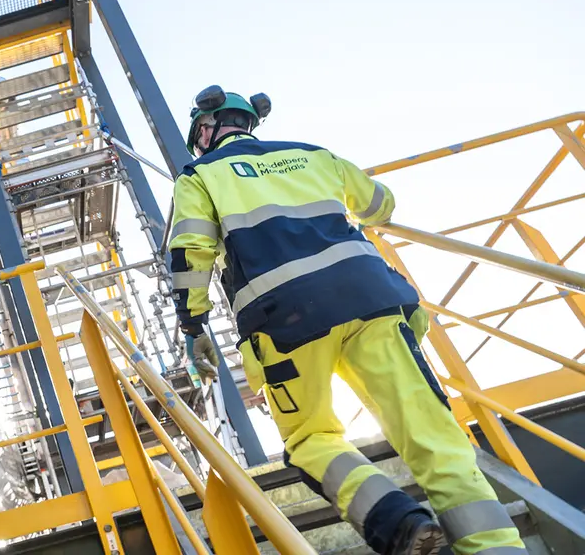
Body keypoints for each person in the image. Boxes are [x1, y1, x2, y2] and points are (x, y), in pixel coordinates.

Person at [168, 85, 526, 555]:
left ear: (207, 129)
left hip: (285, 321)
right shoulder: (314, 155)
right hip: (371, 300)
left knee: (311, 439)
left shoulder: (200, 174)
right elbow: (381, 205)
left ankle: (399, 524)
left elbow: (191, 252)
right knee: (430, 432)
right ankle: (495, 547)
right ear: (249, 122)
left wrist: (194, 327)